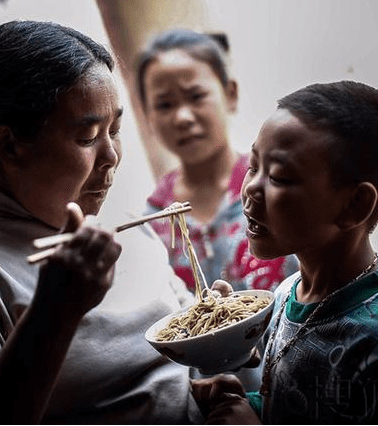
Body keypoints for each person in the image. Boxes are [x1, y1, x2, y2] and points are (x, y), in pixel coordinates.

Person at [0, 20, 233, 424]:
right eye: (87, 137)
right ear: (9, 145)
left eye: (115, 130)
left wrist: (210, 374)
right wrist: (54, 311)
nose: (112, 157)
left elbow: (164, 361)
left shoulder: (114, 218)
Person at [192, 80, 378, 424]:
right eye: (253, 166)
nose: (250, 188)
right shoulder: (287, 293)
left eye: (278, 176)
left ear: (353, 205)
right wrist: (245, 400)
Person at [135, 28, 299, 392]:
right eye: (163, 104)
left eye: (196, 96)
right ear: (146, 116)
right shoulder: (154, 220)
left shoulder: (277, 189)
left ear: (230, 94)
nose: (182, 117)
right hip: (211, 403)